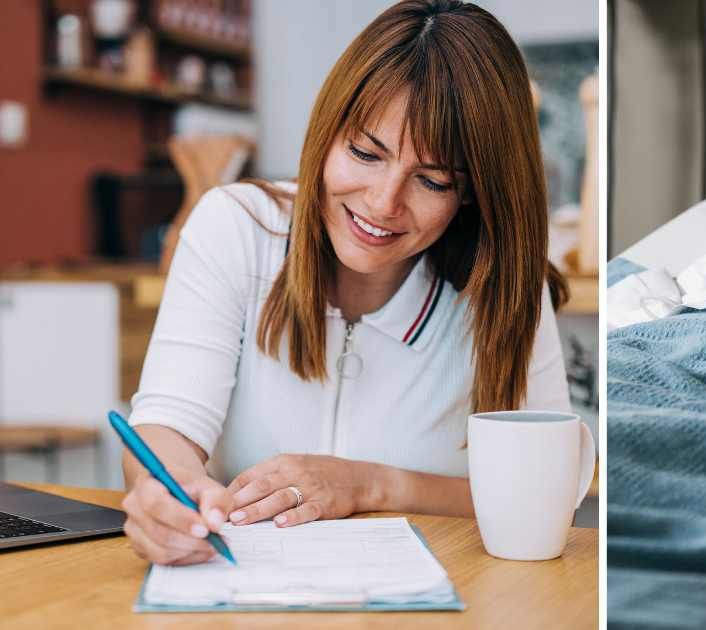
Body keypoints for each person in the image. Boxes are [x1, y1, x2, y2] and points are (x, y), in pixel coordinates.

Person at [120, 0, 571, 566]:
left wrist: (371, 485)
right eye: (364, 153)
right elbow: (168, 426)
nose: (382, 204)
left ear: (473, 192)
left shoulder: (505, 287)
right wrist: (167, 493)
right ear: (327, 131)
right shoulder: (235, 227)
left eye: (431, 181)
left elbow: (546, 493)